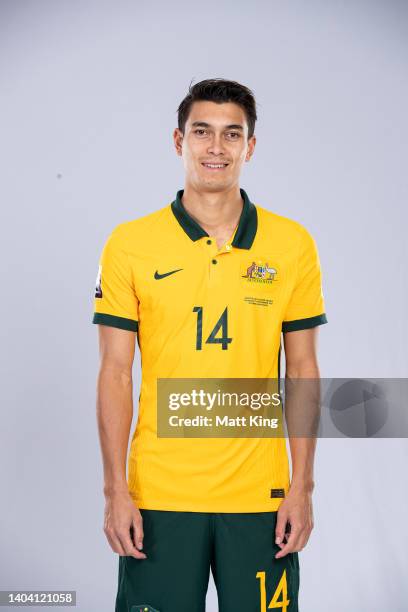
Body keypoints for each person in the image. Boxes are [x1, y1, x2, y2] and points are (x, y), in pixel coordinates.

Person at [92, 78, 328, 612]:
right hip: (160, 495)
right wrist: (115, 494)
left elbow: (304, 368)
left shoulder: (291, 244)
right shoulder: (130, 243)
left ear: (250, 146)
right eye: (202, 132)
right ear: (179, 142)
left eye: (231, 134)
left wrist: (303, 488)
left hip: (261, 498)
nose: (216, 148)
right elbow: (114, 372)